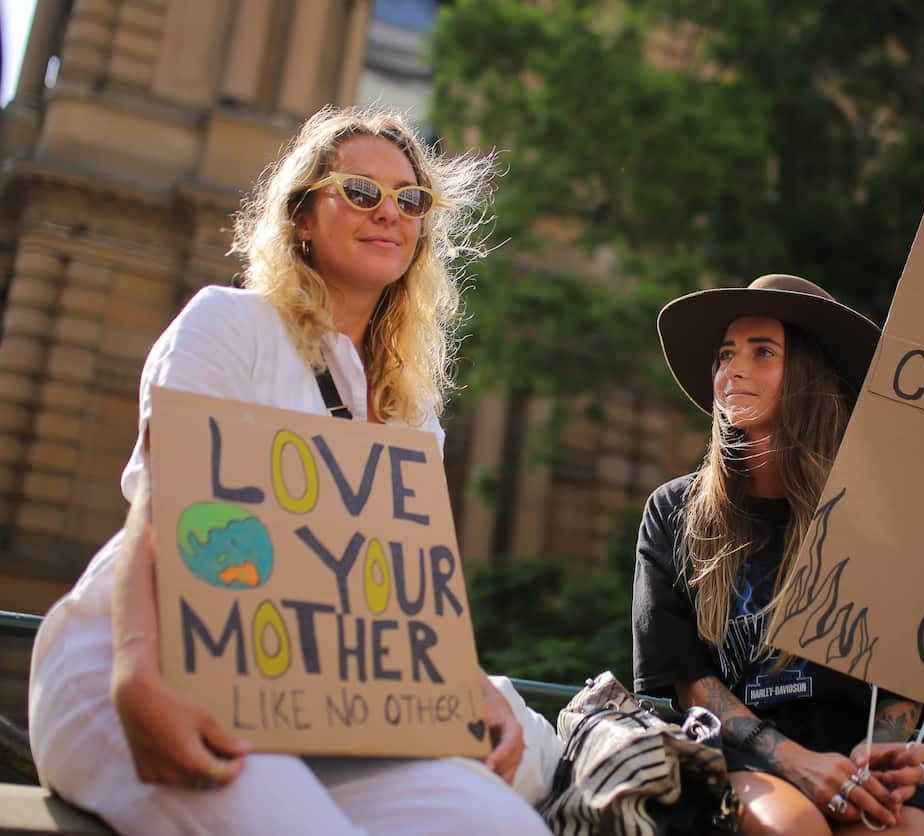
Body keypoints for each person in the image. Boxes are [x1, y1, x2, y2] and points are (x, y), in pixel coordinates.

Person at [27, 105, 552, 835]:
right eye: (361, 191)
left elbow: (397, 590)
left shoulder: (409, 407)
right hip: (158, 674)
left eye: (411, 200)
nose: (390, 213)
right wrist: (137, 673)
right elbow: (161, 513)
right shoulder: (228, 323)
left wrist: (464, 685)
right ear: (302, 217)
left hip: (324, 704)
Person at [632, 274, 924, 835]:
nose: (733, 370)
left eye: (763, 352)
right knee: (793, 827)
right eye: (725, 353)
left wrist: (883, 757)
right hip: (738, 756)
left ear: (813, 375)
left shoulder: (891, 513)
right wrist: (798, 764)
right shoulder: (675, 512)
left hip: (857, 756)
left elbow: (918, 671)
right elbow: (690, 683)